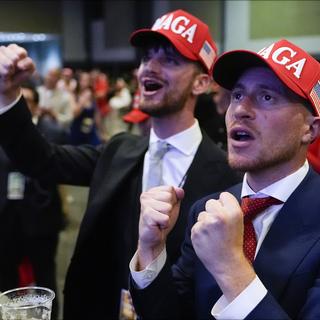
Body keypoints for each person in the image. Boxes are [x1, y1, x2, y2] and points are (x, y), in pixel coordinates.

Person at [0, 9, 241, 319]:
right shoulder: (119, 151)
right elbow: (41, 160)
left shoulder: (228, 174)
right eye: (145, 58)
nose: (148, 69)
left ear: (201, 82)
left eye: (168, 59)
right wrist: (8, 96)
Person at [129, 39, 320, 319]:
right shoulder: (207, 210)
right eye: (237, 95)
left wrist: (231, 267)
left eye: (267, 97)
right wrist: (150, 250)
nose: (241, 110)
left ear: (310, 129)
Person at [0, 84, 66, 320]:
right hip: (7, 219)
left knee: (45, 275)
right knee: (6, 275)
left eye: (25, 101)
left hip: (41, 217)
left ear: (36, 105)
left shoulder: (52, 131)